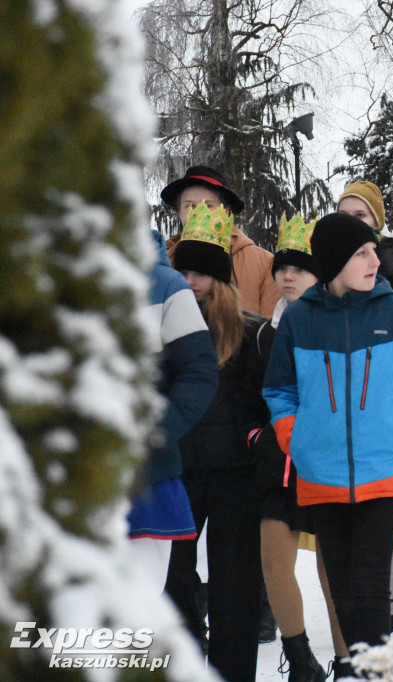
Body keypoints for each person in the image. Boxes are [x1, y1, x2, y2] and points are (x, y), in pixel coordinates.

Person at [262, 213, 393, 676]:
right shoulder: (300, 318)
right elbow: (280, 392)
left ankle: (372, 671)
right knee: (342, 591)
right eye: (362, 253)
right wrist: (295, 439)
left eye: (373, 251)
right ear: (336, 260)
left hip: (383, 473)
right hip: (320, 474)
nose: (373, 260)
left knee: (368, 587)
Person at [164, 202, 274, 681]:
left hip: (236, 472)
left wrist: (255, 441)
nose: (192, 281)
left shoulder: (250, 330)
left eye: (201, 273)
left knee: (236, 587)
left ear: (221, 278)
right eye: (184, 271)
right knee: (175, 582)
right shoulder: (165, 327)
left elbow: (264, 399)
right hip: (180, 469)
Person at [255, 213, 345, 682]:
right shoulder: (264, 331)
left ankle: (350, 659)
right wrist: (257, 434)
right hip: (277, 464)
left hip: (327, 464)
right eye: (282, 268)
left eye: (300, 268)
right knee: (274, 560)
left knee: (336, 569)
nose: (288, 276)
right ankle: (302, 659)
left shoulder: (337, 324)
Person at [126, 230, 218, 597]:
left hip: (146, 476)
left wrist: (157, 433)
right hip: (60, 479)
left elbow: (198, 371)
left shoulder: (165, 285)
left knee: (136, 614)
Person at [162, 165, 280, 318]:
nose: (198, 213)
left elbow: (271, 329)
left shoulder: (264, 263)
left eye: (208, 205)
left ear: (225, 211)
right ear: (180, 212)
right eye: (190, 206)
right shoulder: (165, 262)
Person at [337, 181, 393, 302]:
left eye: (360, 215)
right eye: (343, 215)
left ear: (376, 222)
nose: (350, 222)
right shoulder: (328, 263)